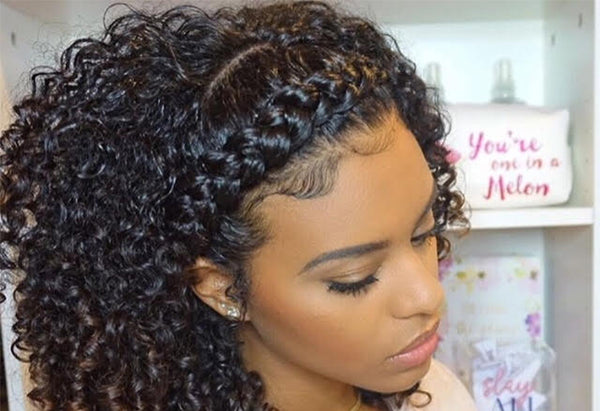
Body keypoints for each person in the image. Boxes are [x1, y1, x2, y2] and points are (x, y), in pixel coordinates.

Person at [0, 1, 475, 410]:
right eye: (356, 278)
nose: (428, 297)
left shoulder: (438, 395)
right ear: (223, 288)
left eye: (424, 233)